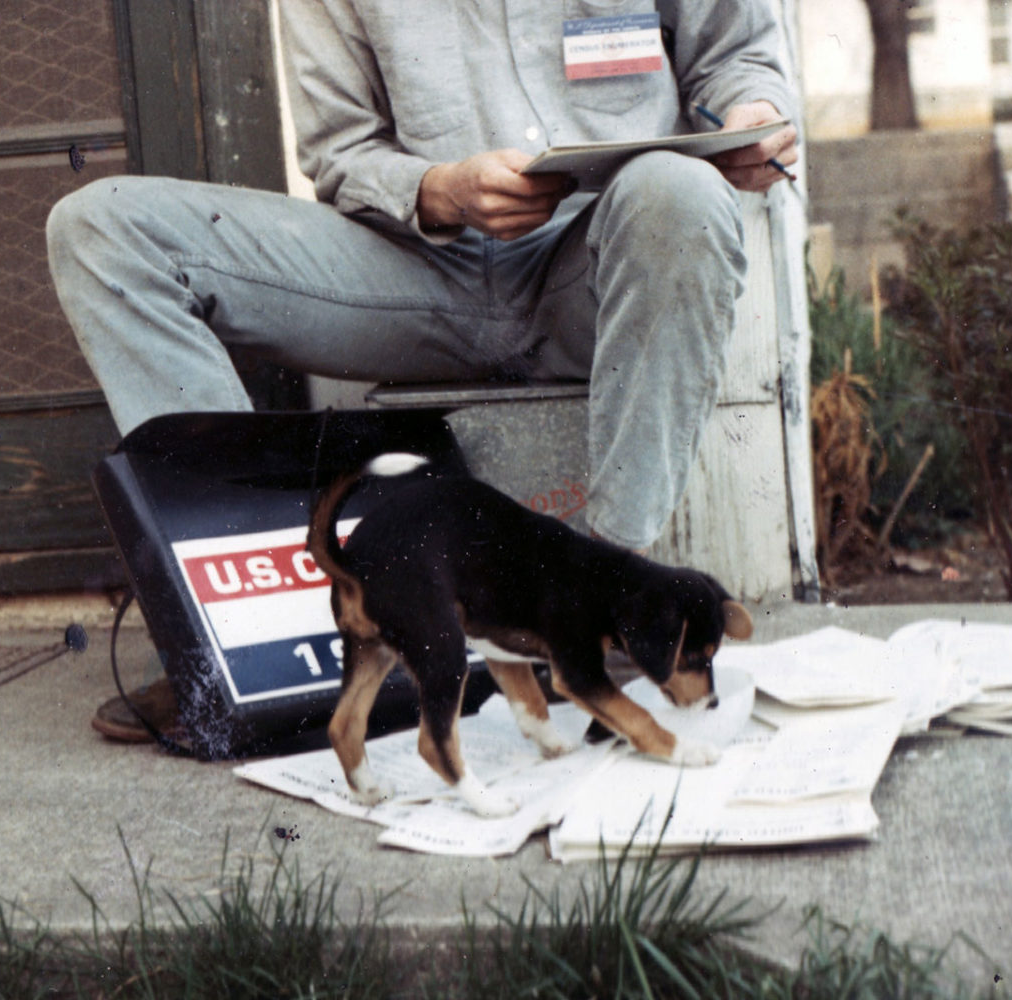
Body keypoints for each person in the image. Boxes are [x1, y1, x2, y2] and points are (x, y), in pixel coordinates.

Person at [47, 0, 799, 742]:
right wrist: (438, 190)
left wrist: (750, 117)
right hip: (415, 270)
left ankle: (604, 601)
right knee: (100, 228)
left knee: (684, 195)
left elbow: (738, 58)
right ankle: (244, 641)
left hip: (595, 267)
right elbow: (341, 149)